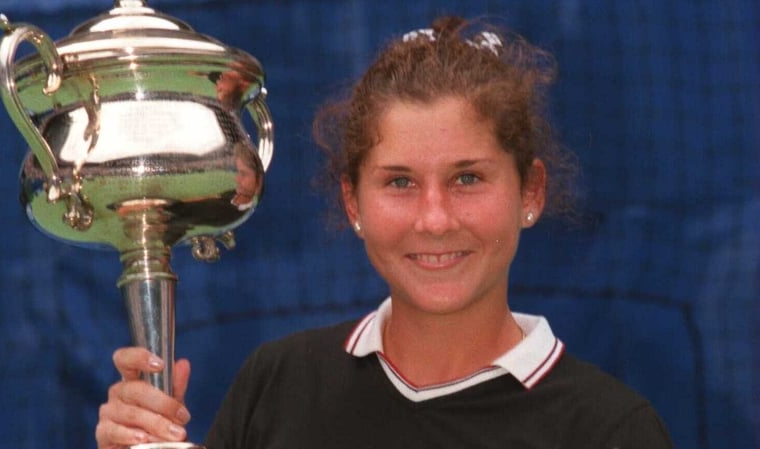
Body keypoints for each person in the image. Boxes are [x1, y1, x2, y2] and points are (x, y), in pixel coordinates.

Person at [96, 16, 673, 449]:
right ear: (354, 201)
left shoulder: (610, 431)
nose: (435, 218)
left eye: (467, 177)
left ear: (530, 193)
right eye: (399, 182)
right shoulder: (278, 383)